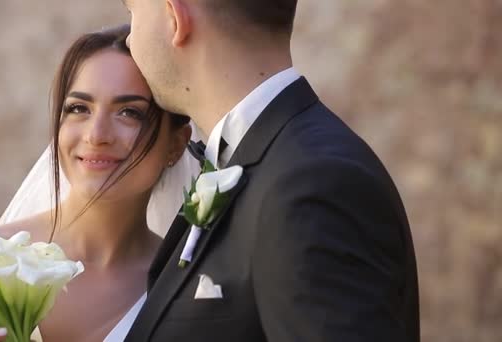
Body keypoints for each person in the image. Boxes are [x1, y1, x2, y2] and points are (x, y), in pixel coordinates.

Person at [122, 0, 420, 341]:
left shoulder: (315, 183)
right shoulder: (264, 159)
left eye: (133, 11)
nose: (131, 40)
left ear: (175, 16)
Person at [0, 25, 199, 342]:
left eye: (129, 112)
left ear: (177, 142)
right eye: (79, 108)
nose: (96, 135)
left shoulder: (187, 286)